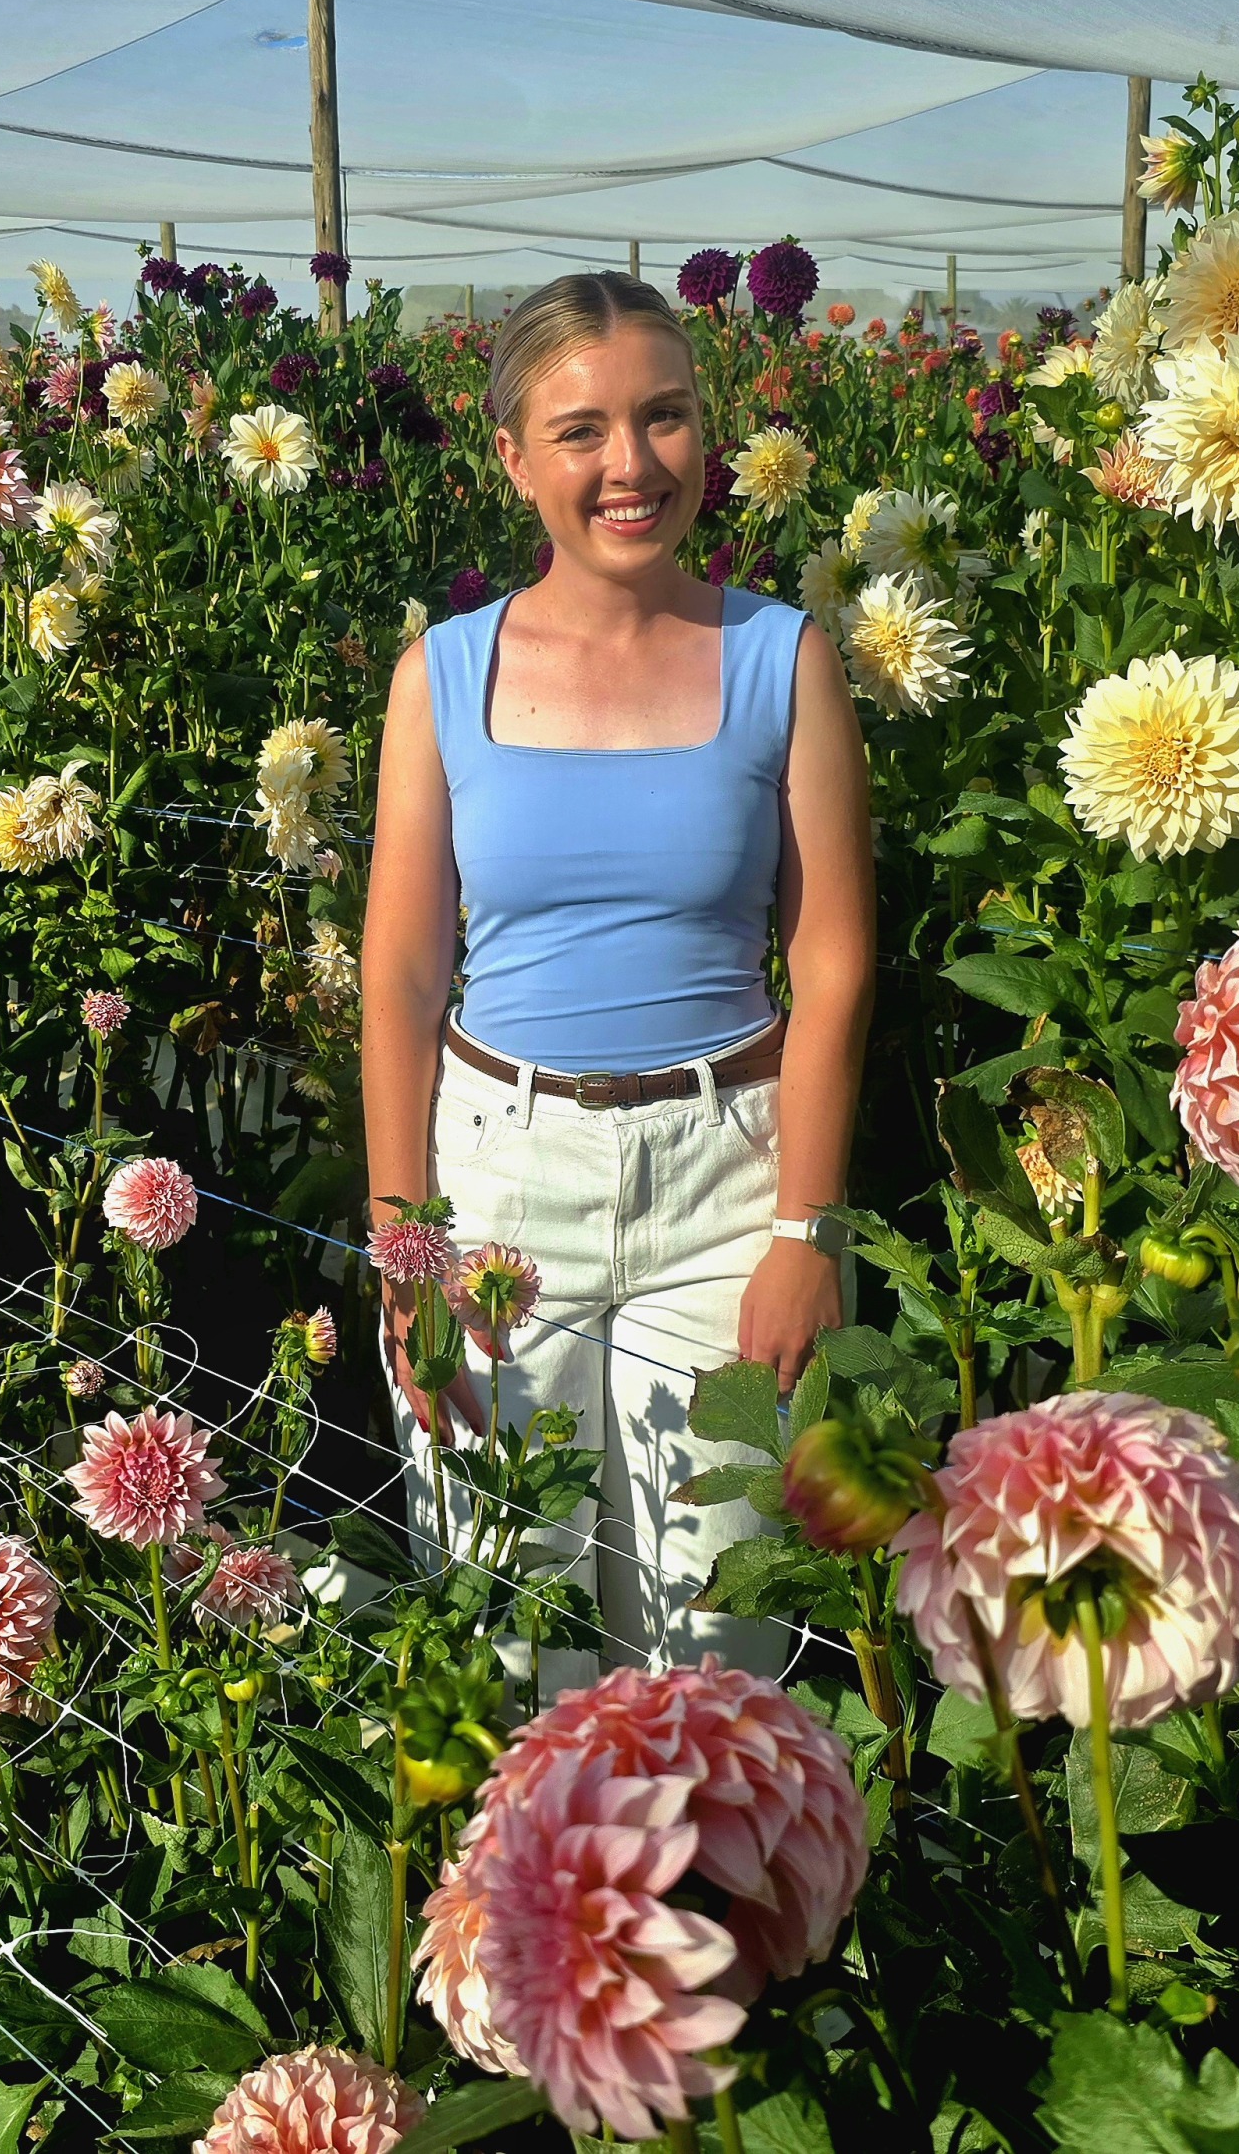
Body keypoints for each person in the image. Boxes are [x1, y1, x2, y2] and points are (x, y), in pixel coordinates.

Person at [360, 270, 874, 1674]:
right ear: (514, 458)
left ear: (707, 435)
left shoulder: (785, 658)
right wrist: (402, 1248)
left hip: (727, 1189)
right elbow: (403, 975)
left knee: (720, 1644)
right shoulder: (443, 676)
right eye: (581, 430)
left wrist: (803, 1234)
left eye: (664, 417)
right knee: (504, 1634)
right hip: (497, 1190)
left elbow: (831, 963)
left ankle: (716, 1901)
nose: (631, 465)